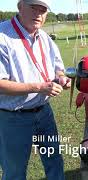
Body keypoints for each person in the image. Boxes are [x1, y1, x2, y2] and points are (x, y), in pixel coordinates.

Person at [0, 0, 71, 179]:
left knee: (55, 161)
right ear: (20, 6)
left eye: (43, 9)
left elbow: (57, 68)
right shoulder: (2, 36)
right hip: (13, 118)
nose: (38, 13)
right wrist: (39, 87)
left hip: (44, 114)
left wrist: (61, 77)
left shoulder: (45, 37)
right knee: (15, 172)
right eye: (33, 7)